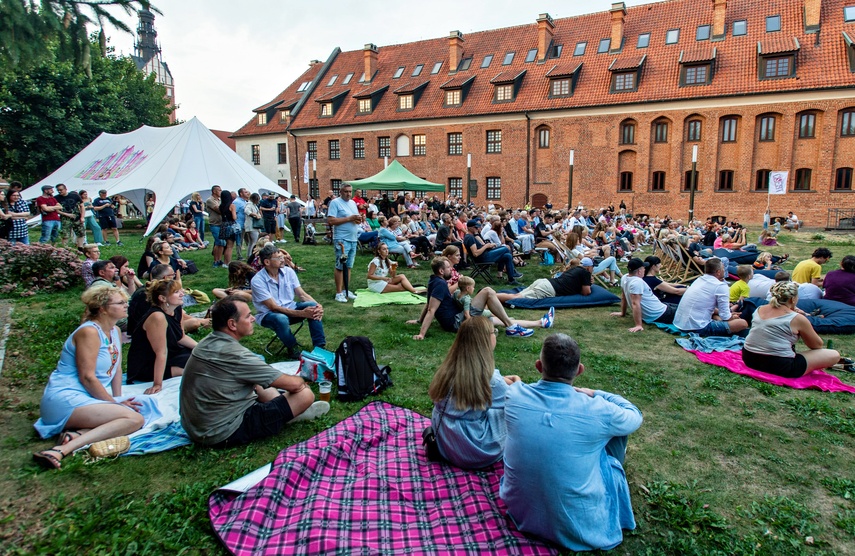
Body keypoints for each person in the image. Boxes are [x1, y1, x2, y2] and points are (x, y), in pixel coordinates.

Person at [501, 333, 642, 552]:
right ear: (579, 370)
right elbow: (634, 415)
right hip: (576, 525)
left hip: (521, 510)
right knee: (617, 433)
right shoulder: (598, 410)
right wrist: (595, 393)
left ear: (539, 366)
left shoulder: (514, 396)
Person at [179, 296, 329, 447]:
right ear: (232, 324)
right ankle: (291, 415)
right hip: (222, 431)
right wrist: (302, 382)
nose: (252, 319)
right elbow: (294, 385)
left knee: (257, 381)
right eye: (248, 316)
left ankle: (284, 408)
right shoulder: (236, 355)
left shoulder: (208, 342)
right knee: (305, 394)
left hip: (197, 425)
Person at [32, 285, 150, 470]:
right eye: (120, 303)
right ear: (103, 309)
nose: (126, 306)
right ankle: (61, 450)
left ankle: (79, 433)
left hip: (87, 397)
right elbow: (87, 377)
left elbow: (116, 368)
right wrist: (114, 404)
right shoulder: (89, 332)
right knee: (134, 419)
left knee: (142, 408)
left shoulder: (114, 331)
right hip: (66, 398)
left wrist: (118, 398)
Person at [427, 317, 521, 469]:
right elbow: (518, 400)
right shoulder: (490, 380)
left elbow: (485, 384)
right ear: (485, 339)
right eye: (494, 332)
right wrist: (517, 382)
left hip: (446, 444)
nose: (495, 335)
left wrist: (502, 381)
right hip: (474, 449)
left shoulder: (450, 368)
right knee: (507, 412)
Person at [409, 257, 534, 339]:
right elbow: (431, 309)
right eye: (448, 268)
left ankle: (537, 323)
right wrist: (421, 334)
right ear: (441, 271)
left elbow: (429, 303)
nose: (452, 270)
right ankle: (511, 327)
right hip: (457, 321)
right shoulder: (440, 284)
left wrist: (419, 321)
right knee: (488, 291)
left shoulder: (433, 280)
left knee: (495, 319)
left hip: (456, 317)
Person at [742, 281, 841, 377]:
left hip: (749, 358)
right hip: (780, 366)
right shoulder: (796, 318)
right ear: (792, 299)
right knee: (834, 355)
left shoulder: (759, 309)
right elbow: (816, 345)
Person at [251, 244, 326, 360]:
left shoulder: (288, 272)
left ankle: (320, 347)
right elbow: (273, 308)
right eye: (279, 258)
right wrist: (303, 314)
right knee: (280, 318)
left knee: (313, 306)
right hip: (269, 315)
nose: (283, 260)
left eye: (282, 257)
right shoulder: (257, 281)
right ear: (267, 262)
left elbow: (302, 294)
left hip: (290, 307)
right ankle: (293, 348)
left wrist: (318, 306)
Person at [126, 279, 196, 394]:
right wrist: (157, 384)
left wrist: (201, 349)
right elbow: (161, 352)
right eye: (176, 292)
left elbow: (181, 337)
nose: (182, 294)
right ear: (162, 298)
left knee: (199, 357)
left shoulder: (177, 309)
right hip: (148, 363)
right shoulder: (157, 317)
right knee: (192, 369)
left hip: (170, 353)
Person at [673, 258, 749, 337]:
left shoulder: (699, 279)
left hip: (680, 322)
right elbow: (725, 316)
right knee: (742, 323)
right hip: (697, 327)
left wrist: (725, 314)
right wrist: (732, 317)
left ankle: (718, 320)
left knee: (717, 315)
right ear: (718, 272)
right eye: (723, 268)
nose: (724, 270)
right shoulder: (720, 286)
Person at [611, 258, 677, 331]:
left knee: (679, 306)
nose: (645, 270)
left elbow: (624, 296)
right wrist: (638, 325)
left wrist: (623, 313)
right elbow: (635, 303)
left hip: (659, 308)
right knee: (687, 310)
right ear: (639, 271)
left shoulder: (624, 277)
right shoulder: (637, 282)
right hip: (659, 314)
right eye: (643, 268)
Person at [496, 257, 592, 303]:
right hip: (548, 289)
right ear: (588, 267)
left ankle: (492, 296)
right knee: (516, 297)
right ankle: (491, 296)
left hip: (544, 282)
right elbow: (586, 292)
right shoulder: (586, 272)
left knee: (516, 295)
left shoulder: (574, 269)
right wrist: (590, 283)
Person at [327, 185, 362, 303]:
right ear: (341, 192)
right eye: (346, 192)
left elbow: (355, 219)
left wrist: (358, 219)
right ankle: (338, 292)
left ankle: (346, 290)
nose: (348, 194)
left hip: (353, 238)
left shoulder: (352, 203)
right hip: (342, 239)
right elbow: (331, 221)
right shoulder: (335, 203)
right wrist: (349, 218)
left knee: (349, 266)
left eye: (350, 192)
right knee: (340, 265)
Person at [463, 219, 522, 286]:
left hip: (485, 254)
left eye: (478, 227)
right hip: (483, 258)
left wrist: (488, 246)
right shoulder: (469, 238)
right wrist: (486, 246)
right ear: (470, 228)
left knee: (507, 256)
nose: (478, 229)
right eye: (476, 227)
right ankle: (512, 272)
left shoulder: (472, 236)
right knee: (506, 248)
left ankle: (511, 279)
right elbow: (475, 253)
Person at [54, 184, 85, 249]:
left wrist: (82, 217)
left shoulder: (75, 196)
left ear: (65, 189)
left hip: (77, 217)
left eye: (61, 190)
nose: (60, 191)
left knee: (80, 233)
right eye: (58, 190)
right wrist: (67, 214)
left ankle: (80, 247)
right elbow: (57, 210)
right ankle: (65, 248)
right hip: (65, 219)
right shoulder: (56, 198)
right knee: (65, 234)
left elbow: (82, 206)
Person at [206, 186, 226, 267]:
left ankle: (219, 259)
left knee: (222, 243)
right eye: (219, 190)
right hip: (215, 223)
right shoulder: (210, 200)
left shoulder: (220, 200)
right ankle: (215, 260)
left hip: (222, 223)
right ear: (214, 191)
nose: (221, 191)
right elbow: (219, 210)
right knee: (218, 242)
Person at [218, 190, 238, 265]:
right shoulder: (232, 205)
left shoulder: (221, 206)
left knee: (226, 245)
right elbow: (234, 217)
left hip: (223, 225)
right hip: (231, 225)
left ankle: (225, 262)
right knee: (230, 246)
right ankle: (228, 263)